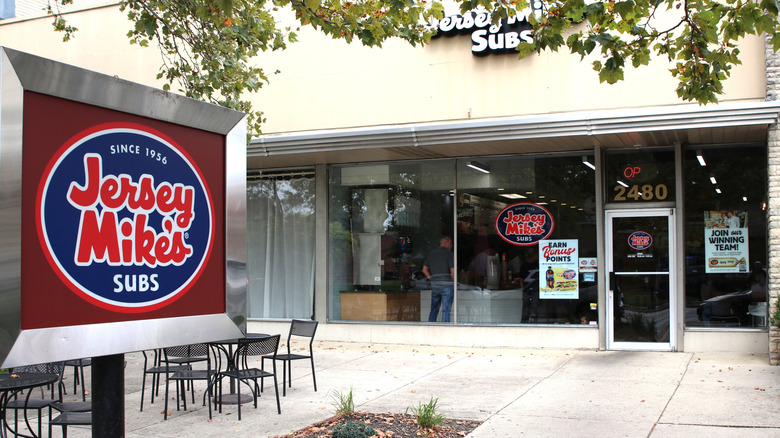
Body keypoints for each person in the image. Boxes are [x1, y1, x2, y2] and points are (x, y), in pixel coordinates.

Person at [422, 236, 455, 322]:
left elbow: (424, 270)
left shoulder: (431, 254)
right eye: (450, 243)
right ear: (446, 243)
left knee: (434, 309)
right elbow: (453, 272)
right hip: (447, 285)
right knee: (446, 310)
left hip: (435, 285)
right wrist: (454, 282)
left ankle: (430, 327)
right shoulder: (449, 254)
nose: (451, 245)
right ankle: (445, 329)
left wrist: (431, 278)